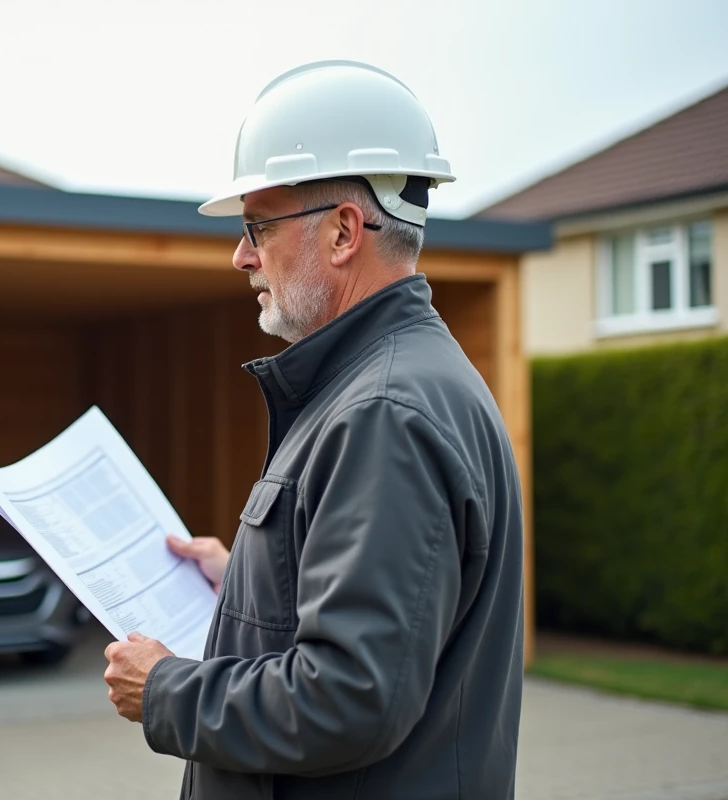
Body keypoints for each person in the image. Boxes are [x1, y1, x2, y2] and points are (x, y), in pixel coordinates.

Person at [103, 60, 525, 799]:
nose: (241, 255)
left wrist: (167, 690)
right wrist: (244, 585)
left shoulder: (383, 414)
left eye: (257, 226)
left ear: (342, 231)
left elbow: (351, 699)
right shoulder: (393, 385)